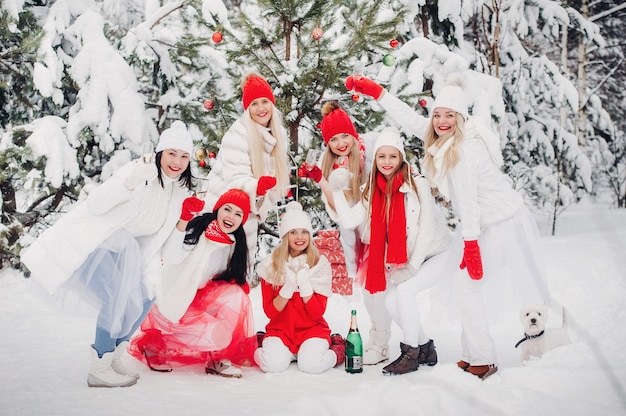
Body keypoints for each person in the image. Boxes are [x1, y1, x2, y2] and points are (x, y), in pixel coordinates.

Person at [346, 73, 552, 379]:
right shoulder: (445, 139)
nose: (442, 121)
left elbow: (469, 205)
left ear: (461, 118)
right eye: (438, 115)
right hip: (485, 225)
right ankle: (473, 354)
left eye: (449, 116)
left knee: (467, 287)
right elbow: (413, 122)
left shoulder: (463, 153)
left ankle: (483, 357)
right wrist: (379, 93)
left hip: (500, 224)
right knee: (463, 286)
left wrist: (470, 244)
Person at [21, 120, 194, 387]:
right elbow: (97, 203)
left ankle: (113, 356)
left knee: (146, 296)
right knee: (115, 295)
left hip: (132, 255)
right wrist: (131, 180)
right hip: (97, 244)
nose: (177, 162)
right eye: (172, 153)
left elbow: (168, 253)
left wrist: (184, 220)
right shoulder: (139, 172)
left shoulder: (180, 193)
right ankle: (99, 366)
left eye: (184, 156)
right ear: (160, 153)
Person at [329, 127, 455, 375]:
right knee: (390, 301)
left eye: (393, 156)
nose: (387, 162)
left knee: (404, 293)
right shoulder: (371, 189)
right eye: (381, 157)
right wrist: (336, 190)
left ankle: (411, 353)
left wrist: (412, 268)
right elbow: (349, 221)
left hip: (438, 252)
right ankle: (426, 347)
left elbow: (427, 230)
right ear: (375, 159)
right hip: (415, 258)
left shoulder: (416, 184)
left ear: (401, 158)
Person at [297, 101, 393, 366]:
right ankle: (381, 340)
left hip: (382, 232)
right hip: (361, 235)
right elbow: (339, 208)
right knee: (369, 294)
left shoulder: (370, 154)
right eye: (333, 139)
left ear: (353, 134)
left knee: (382, 293)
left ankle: (383, 342)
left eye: (344, 136)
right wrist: (321, 180)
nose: (340, 143)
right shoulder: (333, 166)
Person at [128, 189, 256, 378]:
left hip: (198, 298)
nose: (231, 217)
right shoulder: (198, 228)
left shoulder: (233, 243)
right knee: (217, 336)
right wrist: (184, 219)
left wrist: (233, 283)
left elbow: (220, 274)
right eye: (227, 209)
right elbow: (171, 256)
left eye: (238, 214)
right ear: (218, 209)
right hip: (172, 296)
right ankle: (155, 344)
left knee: (237, 295)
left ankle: (217, 359)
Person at [202, 71, 290, 275]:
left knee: (237, 273)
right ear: (247, 108)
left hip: (248, 215)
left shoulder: (279, 134)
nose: (261, 109)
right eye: (254, 104)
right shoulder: (238, 134)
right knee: (212, 272)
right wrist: (256, 187)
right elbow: (236, 179)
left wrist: (262, 199)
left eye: (265, 102)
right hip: (221, 212)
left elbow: (275, 180)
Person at [254, 201, 345, 374]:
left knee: (311, 365)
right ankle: (259, 343)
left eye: (304, 232)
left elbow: (317, 313)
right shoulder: (270, 266)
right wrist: (287, 288)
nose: (299, 237)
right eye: (293, 232)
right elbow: (271, 313)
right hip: (280, 330)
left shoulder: (319, 265)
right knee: (272, 366)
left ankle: (338, 348)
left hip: (312, 329)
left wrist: (304, 285)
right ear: (285, 236)